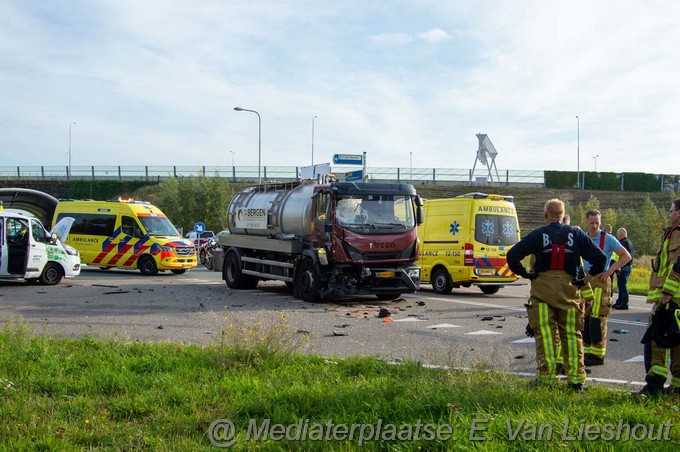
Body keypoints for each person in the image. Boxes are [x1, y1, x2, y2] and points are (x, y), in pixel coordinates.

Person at [508, 199, 607, 391]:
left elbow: (512, 255)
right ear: (563, 215)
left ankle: (546, 379)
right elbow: (600, 259)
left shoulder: (538, 234)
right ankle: (576, 381)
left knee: (545, 334)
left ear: (546, 215)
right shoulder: (576, 233)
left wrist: (526, 274)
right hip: (569, 291)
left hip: (542, 291)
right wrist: (586, 279)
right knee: (572, 335)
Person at [639, 198, 680, 397]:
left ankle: (654, 388)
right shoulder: (673, 233)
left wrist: (667, 292)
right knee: (677, 342)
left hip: (671, 299)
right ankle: (677, 389)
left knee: (656, 341)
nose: (669, 214)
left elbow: (677, 265)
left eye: (671, 210)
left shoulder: (678, 234)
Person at [581, 210, 632, 366]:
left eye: (597, 222)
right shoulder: (582, 237)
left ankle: (598, 355)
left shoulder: (608, 239)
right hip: (586, 279)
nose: (595, 226)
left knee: (598, 319)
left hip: (601, 281)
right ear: (586, 222)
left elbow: (626, 256)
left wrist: (611, 270)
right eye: (592, 223)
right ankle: (588, 352)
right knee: (586, 318)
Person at [613, 228, 634, 310]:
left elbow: (622, 256)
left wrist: (619, 266)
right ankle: (620, 301)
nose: (617, 236)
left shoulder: (624, 243)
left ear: (622, 233)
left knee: (623, 285)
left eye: (618, 234)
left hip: (624, 267)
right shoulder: (629, 242)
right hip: (626, 266)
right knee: (621, 285)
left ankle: (624, 303)